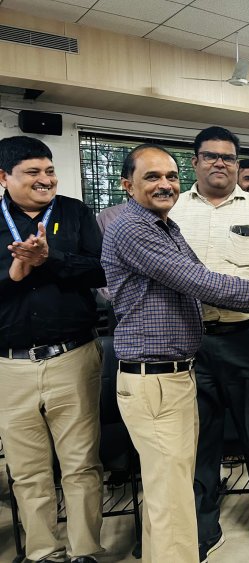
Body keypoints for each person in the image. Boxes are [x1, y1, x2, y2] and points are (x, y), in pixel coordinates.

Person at [101, 143, 249, 563]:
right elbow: (199, 282)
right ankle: (200, 530)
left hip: (244, 339)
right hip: (181, 356)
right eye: (152, 177)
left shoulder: (172, 223)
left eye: (168, 177)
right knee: (194, 454)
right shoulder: (146, 223)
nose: (164, 185)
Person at [169, 127, 249, 562]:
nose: (220, 163)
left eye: (228, 157)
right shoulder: (171, 211)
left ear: (237, 162)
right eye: (210, 156)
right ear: (195, 162)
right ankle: (204, 527)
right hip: (193, 343)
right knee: (200, 441)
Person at [0, 136, 104, 563]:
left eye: (49, 171)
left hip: (72, 357)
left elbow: (100, 269)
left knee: (80, 463)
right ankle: (44, 552)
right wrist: (15, 271)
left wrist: (51, 259)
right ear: (4, 177)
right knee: (27, 470)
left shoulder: (75, 212)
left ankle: (84, 551)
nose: (45, 180)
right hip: (10, 365)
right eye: (32, 173)